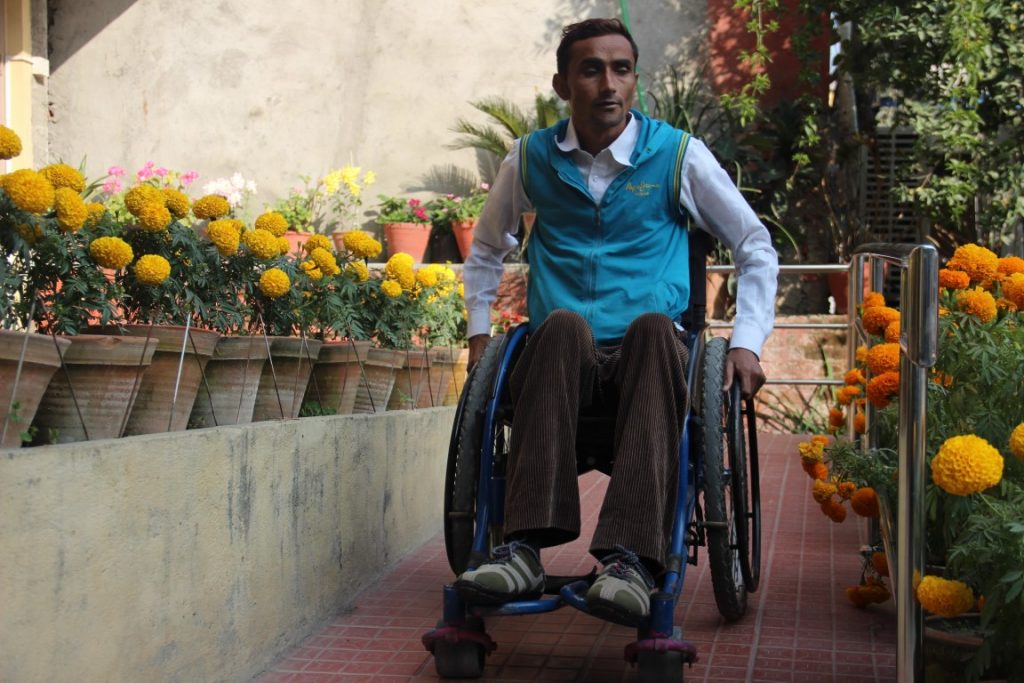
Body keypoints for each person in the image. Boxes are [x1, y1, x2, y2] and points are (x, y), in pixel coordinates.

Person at [455, 18, 779, 626]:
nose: (608, 84)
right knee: (558, 328)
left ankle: (630, 560)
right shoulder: (529, 158)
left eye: (621, 69)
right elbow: (486, 250)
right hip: (561, 360)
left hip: (650, 357)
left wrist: (747, 342)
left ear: (634, 80)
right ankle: (522, 549)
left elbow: (754, 245)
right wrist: (478, 335)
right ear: (562, 84)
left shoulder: (677, 155)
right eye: (591, 70)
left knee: (655, 328)